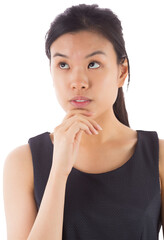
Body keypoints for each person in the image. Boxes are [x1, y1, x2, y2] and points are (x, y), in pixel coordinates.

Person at [3, 3, 164, 240]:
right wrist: (58, 170)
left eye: (93, 64)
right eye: (63, 65)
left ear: (121, 72)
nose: (77, 82)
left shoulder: (157, 156)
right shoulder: (22, 163)